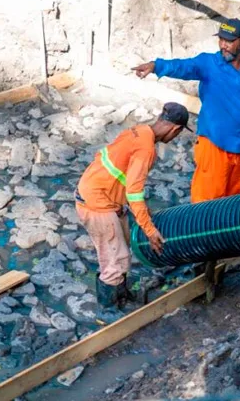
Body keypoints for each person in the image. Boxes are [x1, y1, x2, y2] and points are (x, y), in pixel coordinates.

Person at [132, 18, 240, 203]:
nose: (223, 45)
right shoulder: (208, 64)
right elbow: (183, 66)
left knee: (233, 201)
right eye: (221, 40)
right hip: (213, 146)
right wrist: (156, 66)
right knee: (206, 203)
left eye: (229, 41)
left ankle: (226, 231)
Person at [76, 102, 190, 308]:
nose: (174, 138)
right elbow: (134, 191)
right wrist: (149, 229)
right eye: (177, 134)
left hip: (101, 194)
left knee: (119, 250)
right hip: (97, 203)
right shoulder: (146, 148)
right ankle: (109, 310)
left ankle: (120, 294)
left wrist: (138, 212)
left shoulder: (139, 130)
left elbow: (125, 178)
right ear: (175, 129)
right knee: (115, 259)